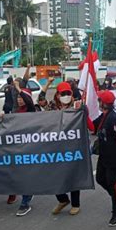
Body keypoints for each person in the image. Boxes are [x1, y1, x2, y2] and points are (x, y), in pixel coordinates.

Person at [94, 90, 116, 227]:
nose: (98, 102)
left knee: (111, 183)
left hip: (114, 157)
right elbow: (91, 126)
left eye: (99, 100)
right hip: (103, 156)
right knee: (100, 179)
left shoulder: (113, 118)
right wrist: (83, 113)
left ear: (104, 103)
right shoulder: (103, 116)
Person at [51, 82, 81, 216]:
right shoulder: (51, 107)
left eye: (68, 93)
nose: (66, 96)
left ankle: (76, 204)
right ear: (57, 95)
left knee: (73, 176)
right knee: (54, 175)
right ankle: (62, 199)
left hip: (72, 147)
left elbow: (91, 127)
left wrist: (82, 111)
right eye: (63, 94)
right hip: (55, 147)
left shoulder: (77, 107)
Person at [13, 81, 37, 216]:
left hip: (30, 148)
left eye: (21, 97)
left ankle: (25, 203)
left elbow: (29, 101)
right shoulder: (16, 112)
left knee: (25, 175)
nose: (19, 100)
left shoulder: (31, 110)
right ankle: (28, 194)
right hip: (18, 148)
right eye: (18, 97)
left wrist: (18, 88)